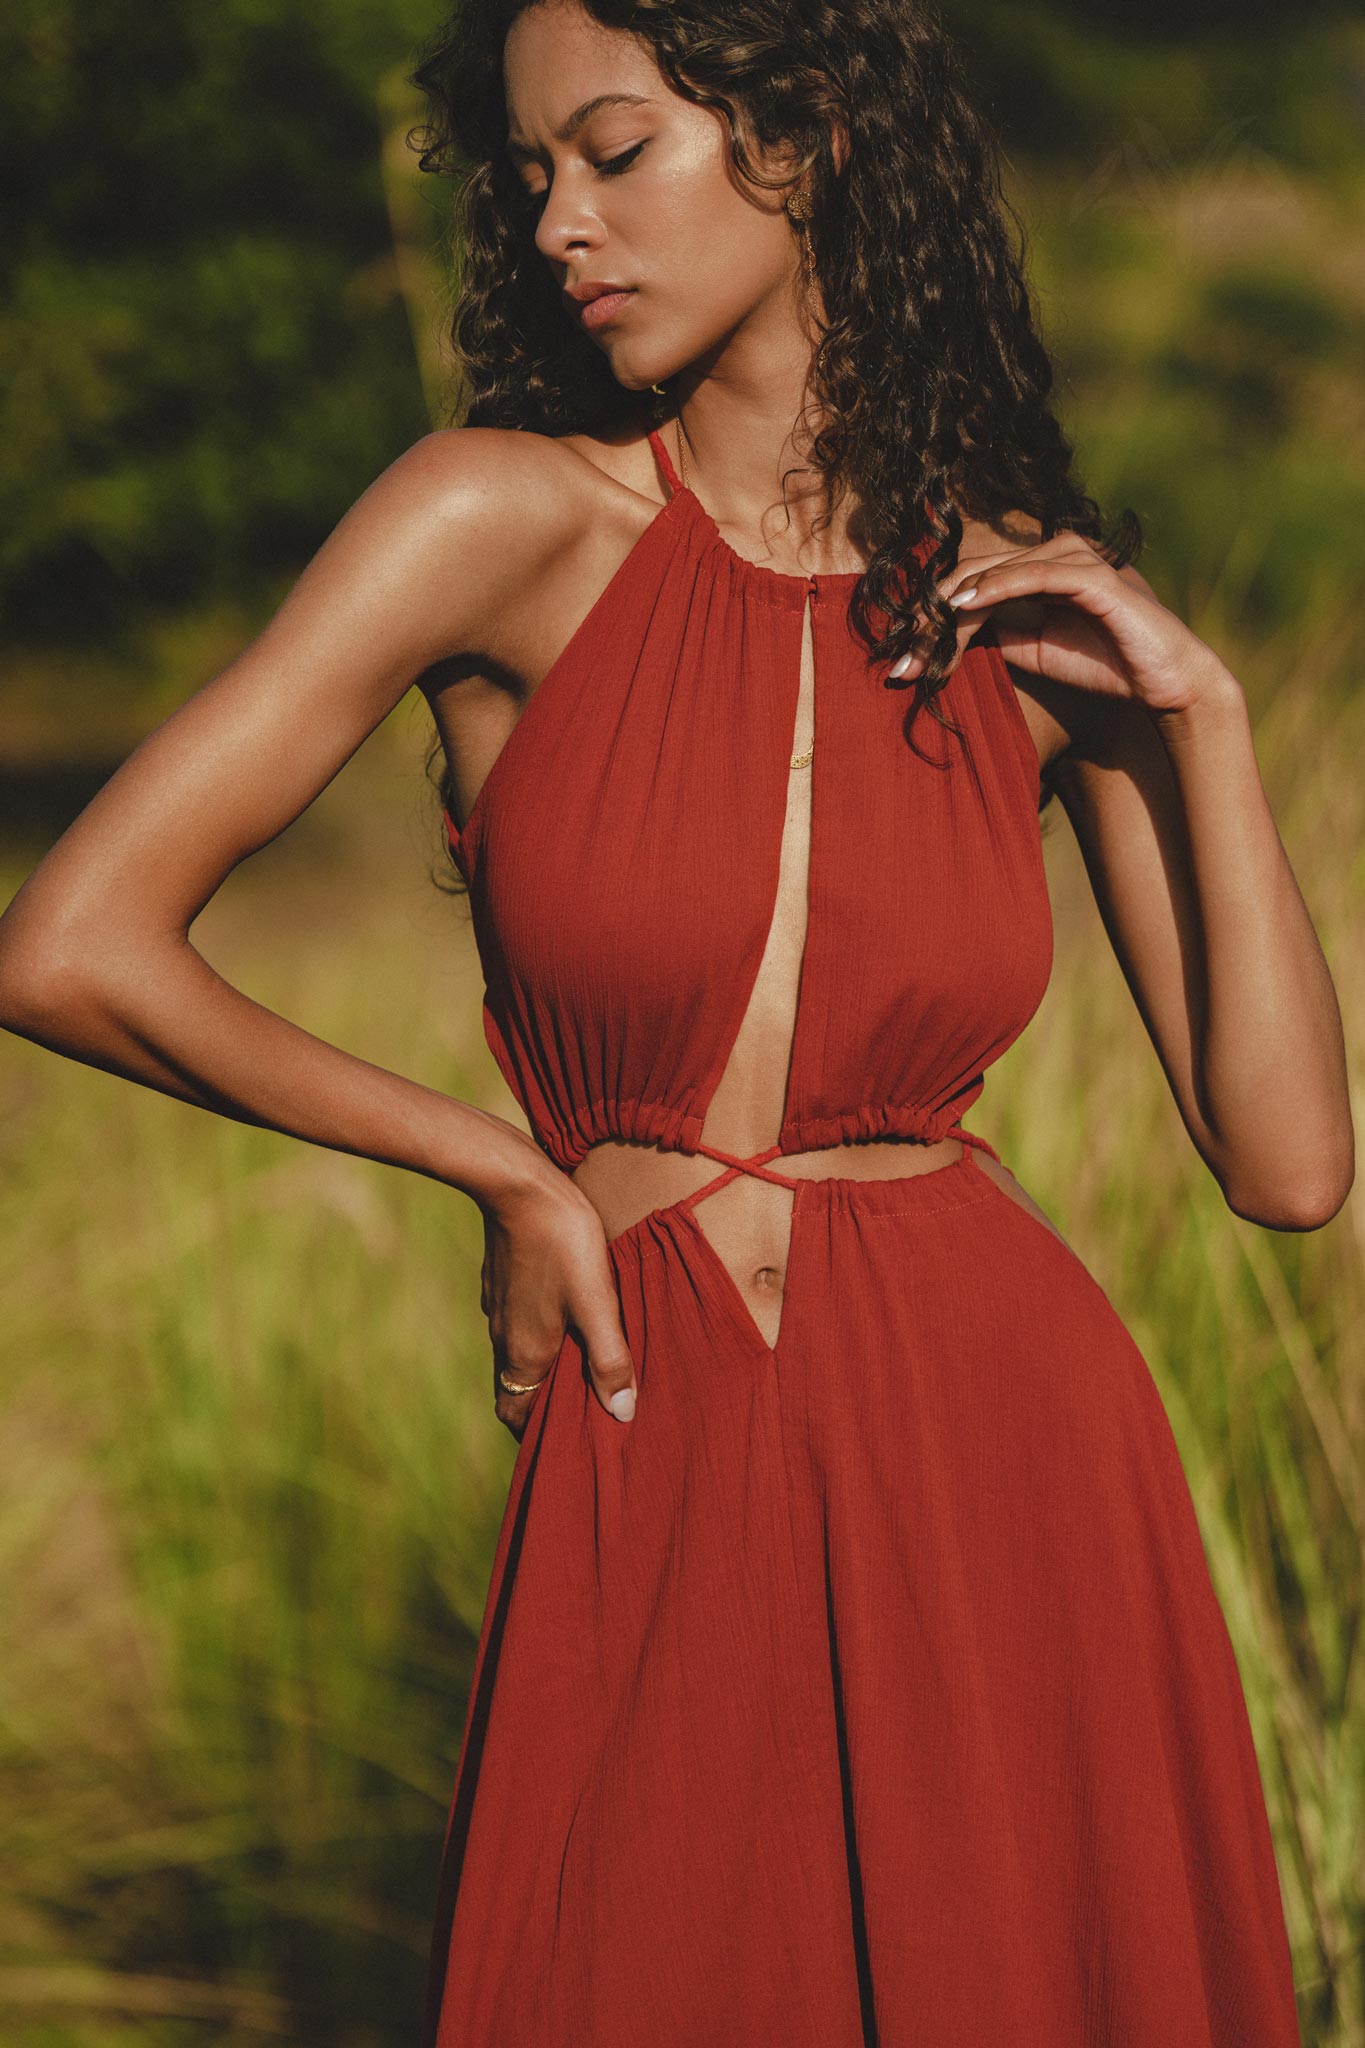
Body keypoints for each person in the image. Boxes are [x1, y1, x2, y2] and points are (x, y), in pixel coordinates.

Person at [0, 1, 1350, 2042]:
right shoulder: (495, 520)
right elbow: (73, 943)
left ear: (798, 143)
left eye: (611, 155)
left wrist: (1205, 719)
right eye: (528, 173)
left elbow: (1285, 1165)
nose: (557, 222)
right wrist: (496, 1167)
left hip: (1001, 1450)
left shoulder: (1022, 609)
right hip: (660, 1410)